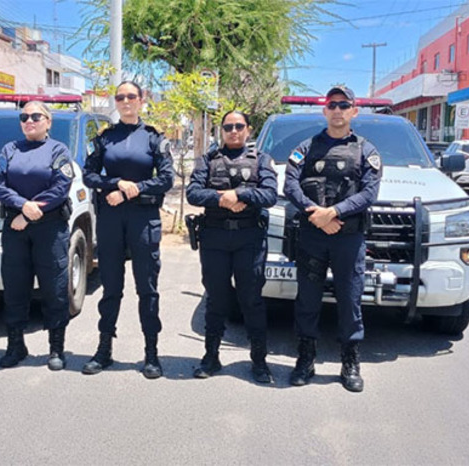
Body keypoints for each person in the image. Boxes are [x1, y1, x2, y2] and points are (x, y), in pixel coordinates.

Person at [283, 86, 382, 392]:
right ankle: (305, 359)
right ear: (324, 111)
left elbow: (369, 193)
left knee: (350, 300)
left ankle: (350, 363)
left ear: (354, 111)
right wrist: (316, 213)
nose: (338, 110)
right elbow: (290, 184)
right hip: (312, 235)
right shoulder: (305, 148)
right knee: (307, 299)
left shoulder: (366, 151)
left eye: (344, 105)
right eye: (332, 105)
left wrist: (333, 212)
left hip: (348, 239)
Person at [81, 81, 174, 379]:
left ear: (141, 100)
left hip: (144, 218)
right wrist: (115, 183)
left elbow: (167, 179)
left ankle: (151, 353)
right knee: (111, 286)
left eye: (131, 96)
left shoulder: (154, 138)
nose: (125, 101)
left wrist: (132, 189)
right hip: (111, 219)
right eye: (120, 97)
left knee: (147, 288)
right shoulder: (105, 138)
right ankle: (104, 349)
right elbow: (88, 175)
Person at [186, 111, 278, 383]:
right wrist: (221, 199)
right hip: (214, 237)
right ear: (222, 130)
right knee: (216, 298)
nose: (234, 131)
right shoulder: (208, 160)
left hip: (249, 238)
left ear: (248, 129)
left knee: (251, 299)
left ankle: (259, 361)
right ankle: (211, 357)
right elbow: (193, 192)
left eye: (239, 126)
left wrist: (240, 194)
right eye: (228, 127)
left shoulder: (261, 160)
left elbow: (270, 194)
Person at [0, 101, 74, 371]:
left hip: (49, 228)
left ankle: (56, 348)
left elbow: (60, 187)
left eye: (36, 116)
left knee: (54, 289)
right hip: (15, 229)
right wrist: (22, 204)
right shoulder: (10, 149)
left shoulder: (58, 150)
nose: (29, 121)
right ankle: (16, 345)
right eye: (24, 117)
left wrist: (27, 214)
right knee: (15, 288)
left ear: (48, 122)